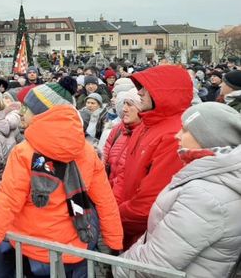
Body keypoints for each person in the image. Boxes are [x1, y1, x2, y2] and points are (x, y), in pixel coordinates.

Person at [0, 84, 123, 277]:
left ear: (42, 114)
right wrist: (114, 242)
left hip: (31, 249)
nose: (21, 112)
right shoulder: (87, 151)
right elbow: (105, 201)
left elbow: (7, 202)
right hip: (74, 249)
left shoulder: (24, 152)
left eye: (27, 108)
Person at [114, 102, 241, 278]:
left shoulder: (205, 196)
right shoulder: (209, 180)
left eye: (186, 130)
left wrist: (116, 268)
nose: (177, 135)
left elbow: (155, 263)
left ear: (207, 137)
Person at [117, 65, 193, 248]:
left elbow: (150, 202)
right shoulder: (146, 124)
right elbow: (124, 173)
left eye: (146, 88)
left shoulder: (174, 135)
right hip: (128, 225)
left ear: (164, 93)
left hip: (145, 236)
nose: (139, 92)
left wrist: (115, 216)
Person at [103, 89, 142, 201]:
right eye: (124, 103)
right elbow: (104, 158)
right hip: (107, 194)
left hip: (124, 200)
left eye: (129, 104)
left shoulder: (146, 135)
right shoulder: (118, 129)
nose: (124, 109)